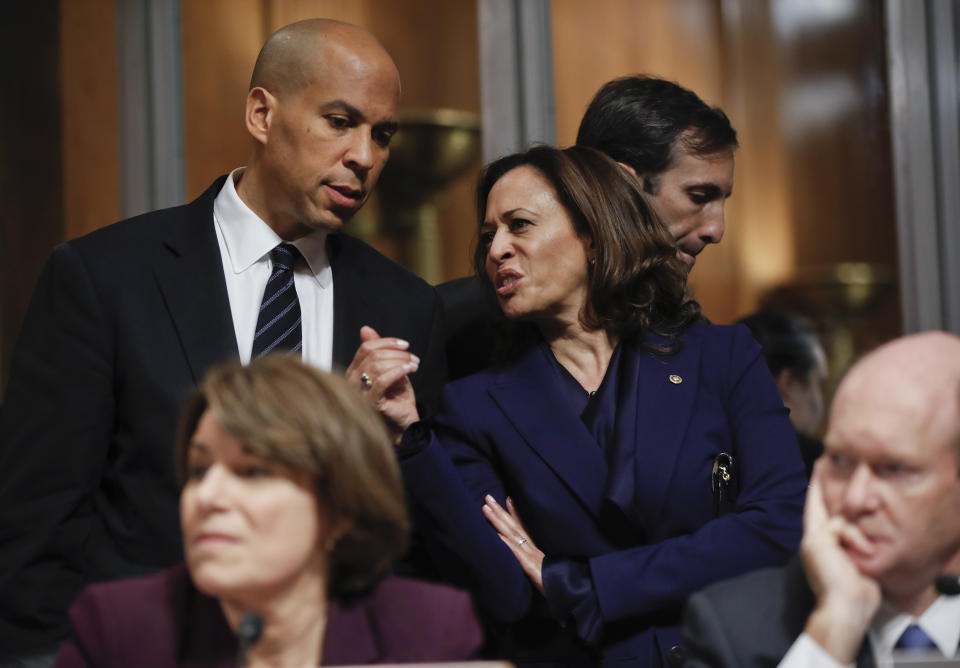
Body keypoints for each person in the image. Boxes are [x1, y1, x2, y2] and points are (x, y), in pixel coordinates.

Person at [0, 19, 444, 664]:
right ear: (262, 113)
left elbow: (414, 535)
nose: (365, 156)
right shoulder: (104, 277)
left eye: (382, 134)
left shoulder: (406, 306)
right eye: (339, 121)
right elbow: (36, 521)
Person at [354, 145, 805, 666]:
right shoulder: (474, 405)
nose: (497, 249)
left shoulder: (723, 358)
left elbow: (780, 525)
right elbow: (506, 591)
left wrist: (581, 583)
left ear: (592, 234)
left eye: (519, 225)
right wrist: (409, 436)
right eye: (487, 237)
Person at [52, 357, 481, 667]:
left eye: (253, 471)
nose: (208, 496)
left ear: (340, 508)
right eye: (200, 470)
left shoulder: (427, 630)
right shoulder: (119, 630)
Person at [681, 331, 960, 667]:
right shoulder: (732, 628)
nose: (856, 498)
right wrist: (832, 631)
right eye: (841, 461)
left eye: (895, 469)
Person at [440, 74, 738, 380]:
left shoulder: (702, 346)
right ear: (623, 186)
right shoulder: (447, 325)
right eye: (699, 196)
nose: (716, 230)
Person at [738, 310, 828, 476]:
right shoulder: (818, 464)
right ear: (789, 383)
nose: (820, 403)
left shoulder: (697, 448)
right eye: (819, 384)